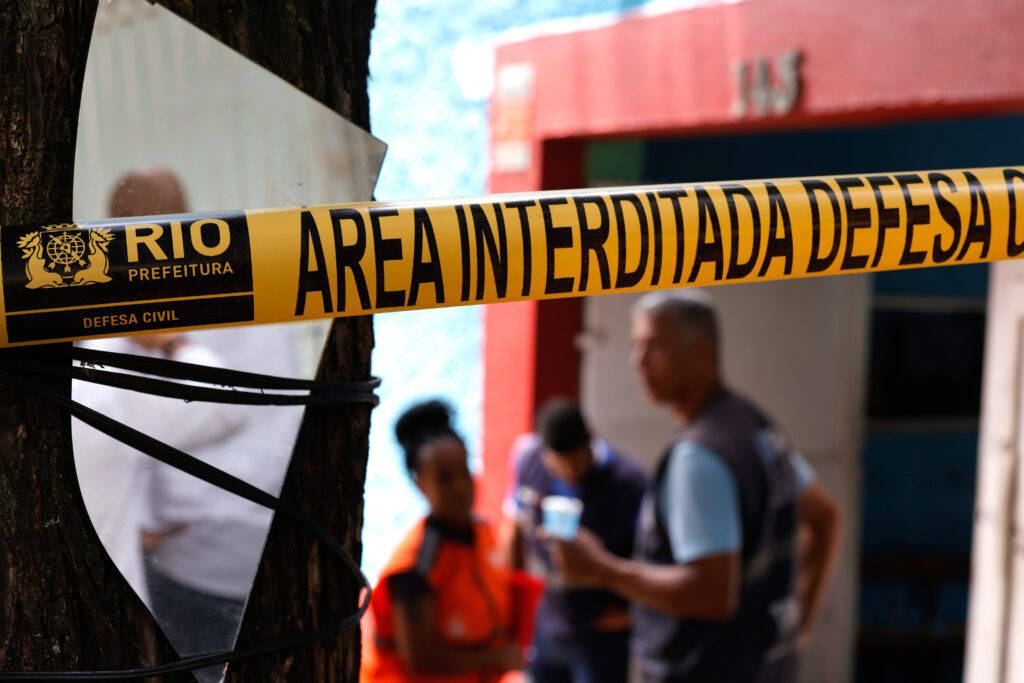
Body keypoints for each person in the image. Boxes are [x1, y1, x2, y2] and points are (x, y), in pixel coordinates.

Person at [547, 289, 842, 683]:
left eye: (654, 347)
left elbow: (711, 594)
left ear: (703, 352)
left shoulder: (698, 457)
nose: (638, 362)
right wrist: (796, 630)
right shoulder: (756, 426)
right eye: (635, 346)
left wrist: (601, 568)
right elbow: (825, 517)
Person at [361, 400, 521, 683]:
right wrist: (496, 657)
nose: (460, 487)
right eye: (444, 478)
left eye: (464, 471)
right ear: (419, 483)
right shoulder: (416, 564)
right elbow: (420, 656)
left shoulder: (482, 532)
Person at [506, 398, 646, 683]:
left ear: (591, 439)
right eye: (561, 463)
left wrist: (633, 613)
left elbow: (652, 559)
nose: (571, 470)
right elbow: (513, 526)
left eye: (578, 460)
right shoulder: (527, 459)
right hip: (550, 618)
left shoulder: (629, 483)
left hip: (603, 629)